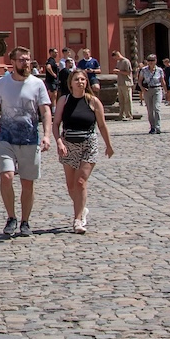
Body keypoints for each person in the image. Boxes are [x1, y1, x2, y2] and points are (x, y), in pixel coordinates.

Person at [0, 46, 53, 238]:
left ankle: (25, 221)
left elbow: (45, 112)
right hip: (6, 138)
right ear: (13, 62)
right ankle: (11, 217)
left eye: (27, 59)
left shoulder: (37, 84)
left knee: (27, 184)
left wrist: (47, 135)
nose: (25, 63)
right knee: (7, 176)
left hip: (29, 139)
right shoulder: (2, 83)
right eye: (21, 60)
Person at [53, 69, 114, 233]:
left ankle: (78, 219)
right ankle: (82, 207)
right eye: (76, 80)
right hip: (68, 144)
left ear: (86, 82)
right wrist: (59, 141)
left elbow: (102, 125)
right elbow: (55, 124)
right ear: (70, 83)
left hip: (88, 144)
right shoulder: (64, 101)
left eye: (82, 79)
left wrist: (108, 145)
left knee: (80, 182)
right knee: (71, 185)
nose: (80, 82)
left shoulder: (93, 101)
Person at [138, 54, 166, 134]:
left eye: (152, 60)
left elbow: (162, 81)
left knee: (157, 108)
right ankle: (152, 127)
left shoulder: (159, 70)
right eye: (149, 60)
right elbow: (140, 81)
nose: (150, 62)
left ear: (155, 61)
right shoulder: (143, 70)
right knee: (150, 110)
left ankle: (158, 126)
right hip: (147, 90)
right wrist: (142, 88)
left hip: (157, 89)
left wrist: (166, 91)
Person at [111, 51, 135, 121]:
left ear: (117, 55)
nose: (115, 59)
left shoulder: (126, 61)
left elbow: (128, 72)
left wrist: (119, 71)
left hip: (126, 83)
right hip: (120, 83)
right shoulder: (118, 62)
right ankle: (122, 115)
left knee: (127, 100)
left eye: (115, 57)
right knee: (121, 101)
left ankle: (129, 115)